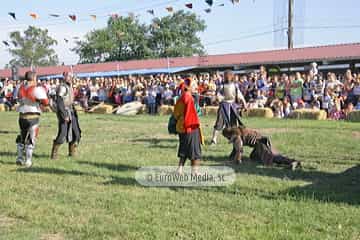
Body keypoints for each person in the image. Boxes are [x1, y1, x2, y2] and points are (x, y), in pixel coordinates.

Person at [222, 126, 301, 170]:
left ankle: (293, 162)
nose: (227, 139)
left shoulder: (237, 137)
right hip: (260, 143)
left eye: (226, 137)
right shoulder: (239, 131)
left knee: (273, 158)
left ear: (229, 134)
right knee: (253, 157)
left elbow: (239, 151)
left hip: (261, 144)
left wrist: (235, 161)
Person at [16, 71, 49, 167]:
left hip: (22, 116)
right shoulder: (37, 89)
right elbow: (46, 102)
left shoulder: (20, 88)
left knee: (22, 137)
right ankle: (28, 160)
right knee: (31, 139)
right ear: (34, 78)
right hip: (33, 116)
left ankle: (19, 157)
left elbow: (17, 98)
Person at [173, 78, 203, 175]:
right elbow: (191, 115)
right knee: (194, 150)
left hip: (181, 126)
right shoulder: (188, 97)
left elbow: (176, 114)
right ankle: (195, 171)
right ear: (189, 87)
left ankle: (179, 169)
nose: (196, 87)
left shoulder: (182, 96)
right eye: (194, 85)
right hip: (189, 127)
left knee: (184, 148)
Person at [211, 70, 247, 145]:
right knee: (219, 123)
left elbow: (240, 96)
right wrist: (216, 98)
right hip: (223, 106)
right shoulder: (222, 86)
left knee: (233, 124)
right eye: (225, 76)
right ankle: (214, 139)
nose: (226, 77)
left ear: (231, 77)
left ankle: (234, 139)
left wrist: (245, 104)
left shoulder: (235, 86)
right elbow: (217, 96)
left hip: (232, 106)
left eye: (227, 76)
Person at [50, 72, 81, 159]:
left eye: (71, 77)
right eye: (69, 77)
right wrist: (64, 115)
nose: (70, 78)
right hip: (64, 112)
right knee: (62, 134)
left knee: (76, 133)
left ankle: (71, 152)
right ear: (65, 78)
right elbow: (59, 102)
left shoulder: (70, 86)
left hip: (71, 111)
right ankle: (54, 153)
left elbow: (69, 99)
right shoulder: (62, 87)